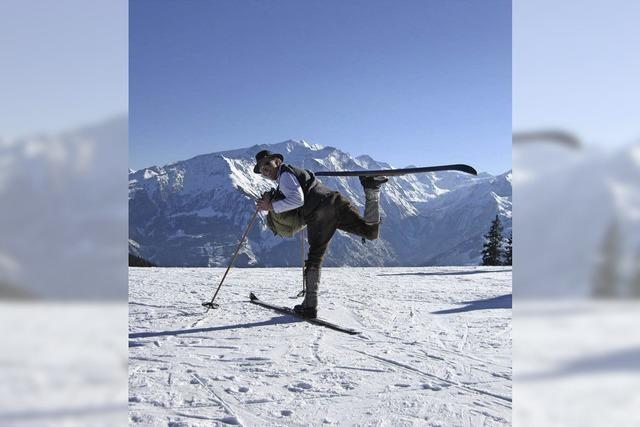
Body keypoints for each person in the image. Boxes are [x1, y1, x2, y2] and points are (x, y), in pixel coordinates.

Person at [253, 149, 387, 318]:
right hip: (335, 201)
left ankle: (309, 306)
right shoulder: (292, 174)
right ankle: (371, 189)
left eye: (267, 165)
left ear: (277, 162)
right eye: (262, 169)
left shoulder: (285, 176)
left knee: (315, 256)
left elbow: (297, 199)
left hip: (320, 211)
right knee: (370, 232)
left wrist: (270, 207)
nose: (265, 171)